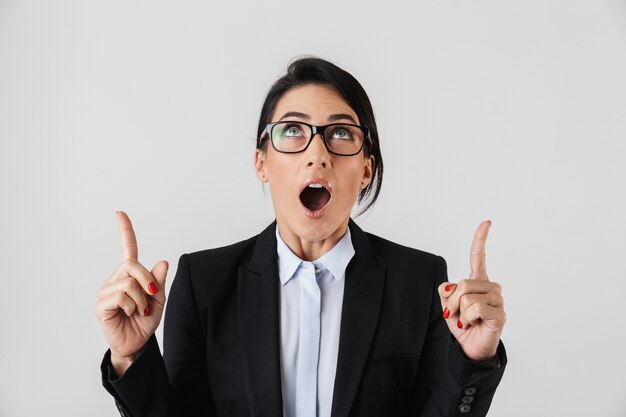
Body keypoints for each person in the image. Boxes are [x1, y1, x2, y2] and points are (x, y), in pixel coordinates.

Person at [96, 57, 507, 417]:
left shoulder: (419, 281)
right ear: (262, 162)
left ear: (366, 170)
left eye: (341, 133)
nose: (318, 153)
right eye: (292, 130)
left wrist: (474, 357)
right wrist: (131, 356)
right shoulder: (202, 282)